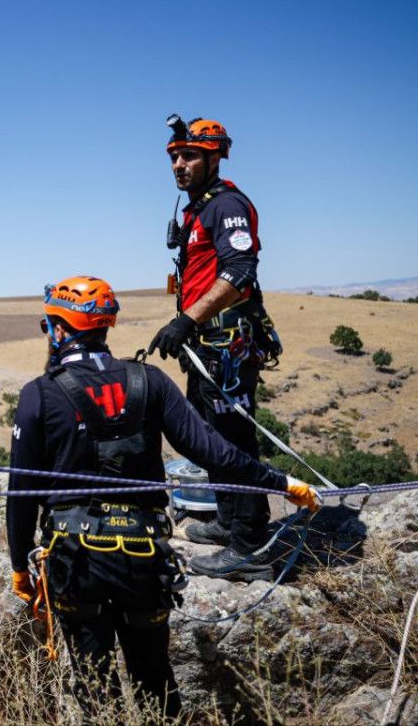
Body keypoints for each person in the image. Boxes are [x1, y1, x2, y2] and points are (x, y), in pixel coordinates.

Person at [7, 276, 320, 719]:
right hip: (143, 559)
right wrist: (279, 482)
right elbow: (213, 450)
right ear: (104, 327)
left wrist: (20, 567)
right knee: (155, 679)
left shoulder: (38, 395)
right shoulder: (149, 381)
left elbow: (21, 492)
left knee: (97, 688)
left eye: (48, 326)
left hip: (77, 563)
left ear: (59, 329)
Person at [148, 115, 285, 581]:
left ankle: (251, 550)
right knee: (207, 439)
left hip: (225, 347)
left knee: (233, 442)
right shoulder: (198, 207)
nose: (179, 165)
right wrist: (188, 328)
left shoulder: (227, 206)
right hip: (206, 345)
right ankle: (229, 521)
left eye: (188, 155)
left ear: (214, 156)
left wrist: (187, 319)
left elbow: (240, 269)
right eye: (174, 157)